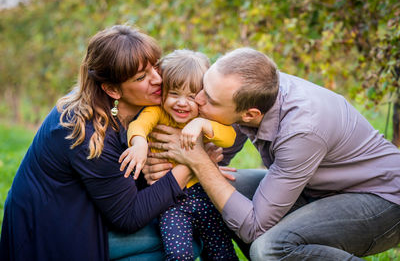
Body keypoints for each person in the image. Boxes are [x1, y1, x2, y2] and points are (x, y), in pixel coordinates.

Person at [145, 47, 400, 260]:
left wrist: (198, 161)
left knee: (268, 248)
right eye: (203, 88)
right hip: (315, 188)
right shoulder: (249, 87)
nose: (197, 100)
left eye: (209, 100)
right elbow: (218, 158)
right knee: (213, 189)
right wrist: (176, 164)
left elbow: (254, 227)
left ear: (250, 115)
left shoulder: (302, 129)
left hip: (381, 198)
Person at [0, 25, 203, 261]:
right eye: (142, 77)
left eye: (155, 66)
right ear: (112, 89)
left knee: (182, 222)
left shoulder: (137, 108)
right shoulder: (86, 132)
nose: (158, 79)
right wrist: (192, 163)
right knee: (184, 237)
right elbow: (129, 216)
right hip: (51, 233)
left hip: (91, 212)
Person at [119, 49, 239, 260]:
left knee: (221, 253)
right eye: (174, 94)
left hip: (206, 194)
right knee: (179, 255)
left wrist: (202, 124)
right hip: (171, 201)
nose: (182, 103)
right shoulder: (158, 112)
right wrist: (139, 143)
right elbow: (140, 125)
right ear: (163, 92)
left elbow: (228, 137)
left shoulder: (203, 117)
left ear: (202, 97)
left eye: (191, 97)